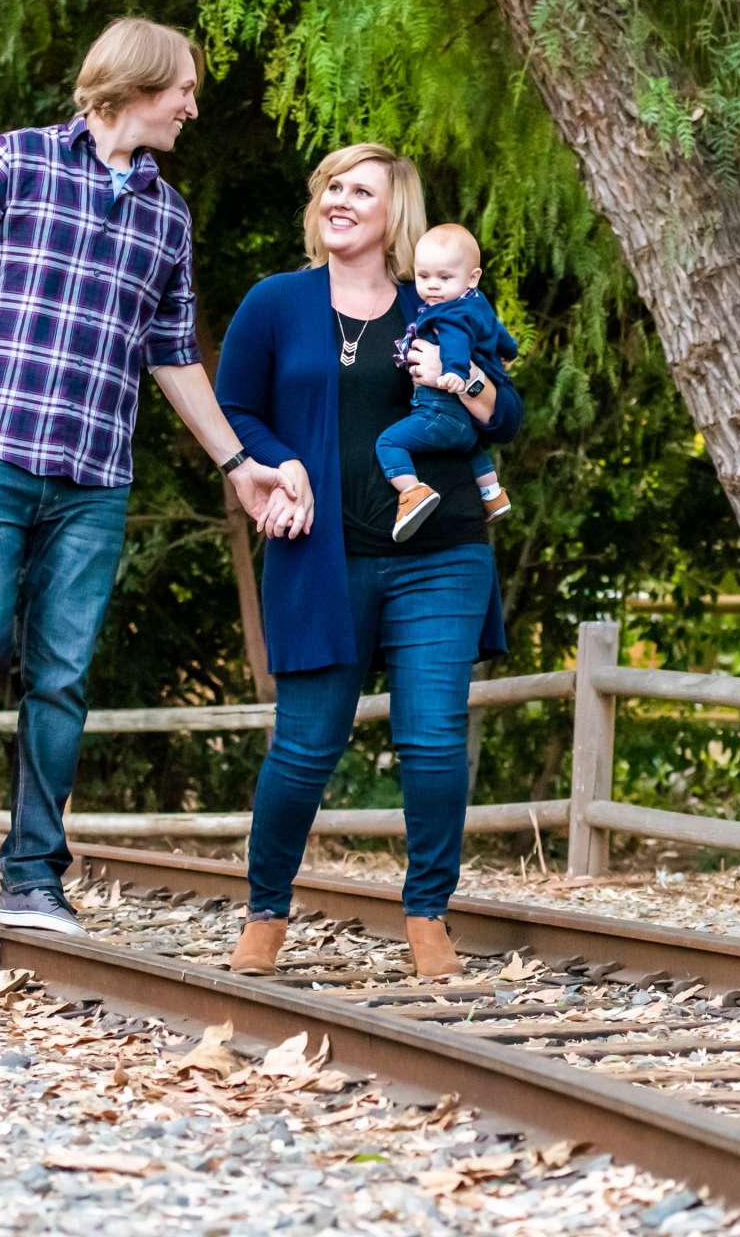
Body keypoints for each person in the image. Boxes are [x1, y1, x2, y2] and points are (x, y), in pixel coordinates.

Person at [0, 18, 302, 937]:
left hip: (93, 476)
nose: (191, 106)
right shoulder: (15, 163)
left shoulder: (166, 217)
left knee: (61, 674)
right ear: (136, 84)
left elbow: (174, 358)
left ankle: (32, 874)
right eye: (183, 88)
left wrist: (239, 466)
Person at [214, 144, 522, 978]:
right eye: (331, 188)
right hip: (321, 557)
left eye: (361, 191)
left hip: (441, 550)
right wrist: (280, 464)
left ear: (396, 216)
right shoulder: (276, 302)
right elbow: (233, 406)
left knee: (431, 739)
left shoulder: (438, 308)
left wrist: (458, 382)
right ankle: (266, 913)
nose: (340, 201)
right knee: (305, 746)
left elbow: (505, 414)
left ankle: (427, 916)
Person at [377, 223, 518, 539]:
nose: (432, 287)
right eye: (423, 277)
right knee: (468, 449)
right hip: (465, 426)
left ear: (473, 277)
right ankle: (493, 494)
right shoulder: (478, 306)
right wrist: (509, 352)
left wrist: (453, 371)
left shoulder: (447, 313)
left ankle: (413, 492)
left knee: (388, 442)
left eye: (444, 278)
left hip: (439, 411)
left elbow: (453, 343)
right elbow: (500, 335)